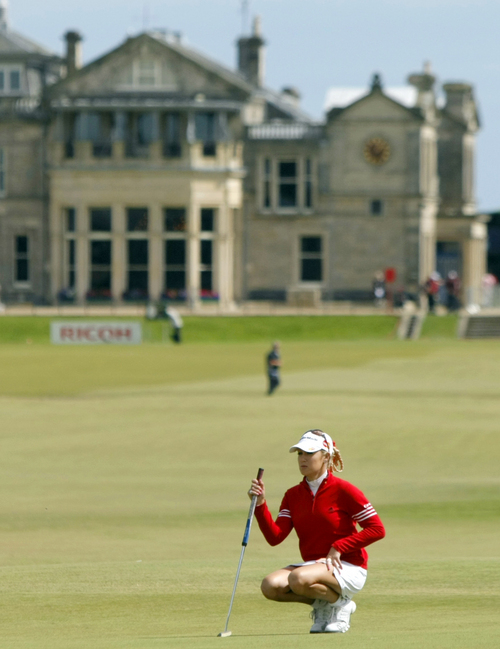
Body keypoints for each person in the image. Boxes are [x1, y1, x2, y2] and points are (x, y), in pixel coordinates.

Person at [248, 429, 385, 634]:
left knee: (298, 579)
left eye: (310, 453)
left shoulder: (344, 490)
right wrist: (260, 505)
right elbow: (275, 537)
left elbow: (377, 529)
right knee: (270, 586)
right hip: (312, 567)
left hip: (347, 565)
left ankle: (342, 606)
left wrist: (339, 547)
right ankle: (327, 605)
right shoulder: (293, 495)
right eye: (300, 453)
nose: (303, 458)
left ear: (326, 457)